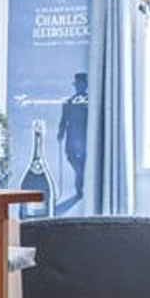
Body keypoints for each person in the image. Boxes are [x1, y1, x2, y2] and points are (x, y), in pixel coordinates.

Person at [57, 71, 89, 215]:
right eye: (78, 85)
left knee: (82, 162)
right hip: (72, 137)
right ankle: (80, 177)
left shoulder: (90, 102)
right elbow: (64, 120)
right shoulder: (69, 102)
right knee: (72, 159)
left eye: (82, 85)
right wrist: (61, 133)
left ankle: (79, 187)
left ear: (85, 86)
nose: (79, 87)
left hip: (84, 137)